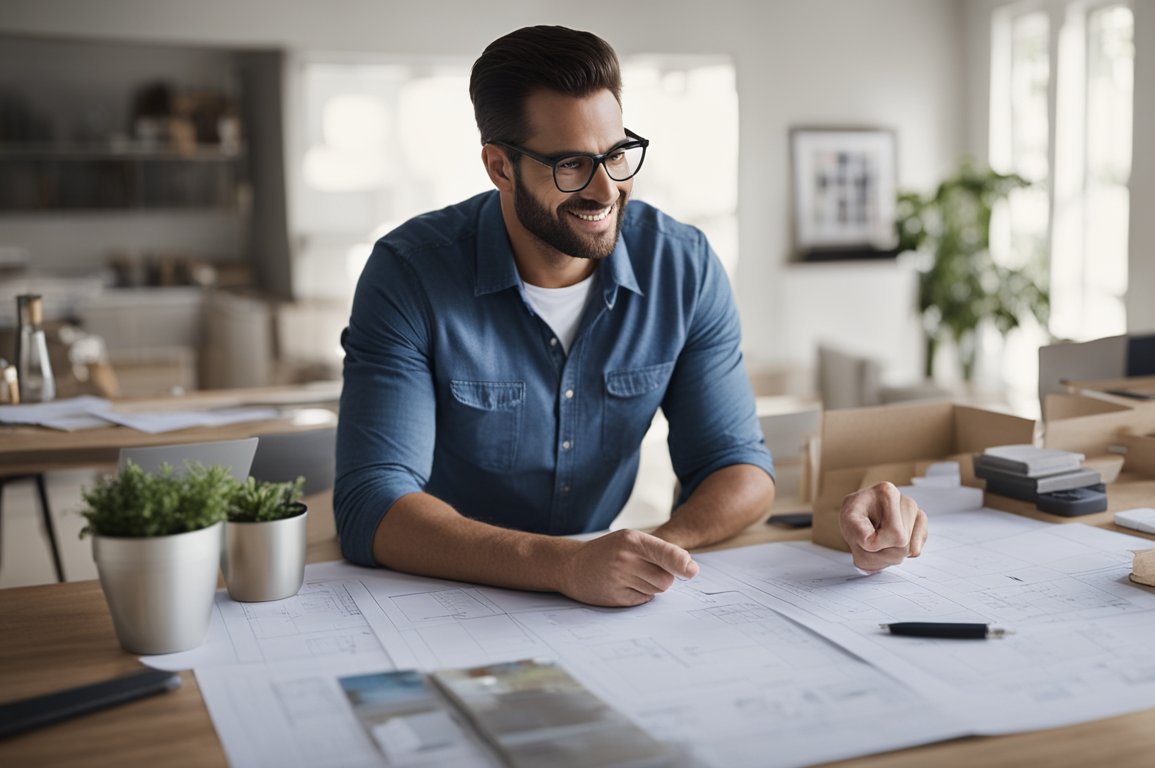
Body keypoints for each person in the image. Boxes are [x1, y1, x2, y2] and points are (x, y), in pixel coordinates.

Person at [334, 25, 926, 607]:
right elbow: (372, 502)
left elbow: (739, 468)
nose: (605, 189)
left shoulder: (683, 266)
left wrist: (646, 553)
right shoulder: (407, 273)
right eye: (570, 165)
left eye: (616, 154)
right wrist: (564, 565)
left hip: (594, 602)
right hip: (439, 593)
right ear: (499, 168)